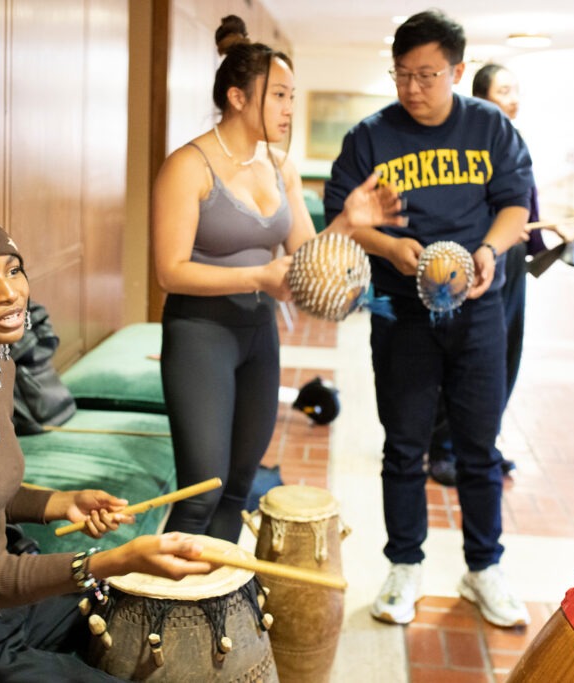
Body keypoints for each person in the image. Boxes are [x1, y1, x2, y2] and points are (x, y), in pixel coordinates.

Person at [0, 212, 215, 682]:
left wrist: (60, 502)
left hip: (4, 607)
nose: (10, 292)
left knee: (141, 616)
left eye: (13, 270)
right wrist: (113, 560)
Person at [153, 16, 404, 543]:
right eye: (280, 96)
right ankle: (158, 595)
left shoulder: (279, 167)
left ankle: (218, 593)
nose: (290, 108)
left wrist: (348, 223)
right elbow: (168, 271)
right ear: (238, 97)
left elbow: (307, 257)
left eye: (292, 96)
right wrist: (258, 276)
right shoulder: (188, 166)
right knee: (200, 493)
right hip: (200, 336)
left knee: (238, 488)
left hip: (258, 337)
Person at [323, 10, 532, 628]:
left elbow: (515, 205)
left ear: (458, 72)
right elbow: (342, 218)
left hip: (478, 310)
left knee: (479, 446)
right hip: (403, 313)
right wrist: (389, 248)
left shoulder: (489, 126)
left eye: (427, 75)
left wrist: (489, 251)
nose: (412, 88)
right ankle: (404, 565)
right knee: (404, 444)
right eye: (402, 74)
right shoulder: (370, 137)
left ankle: (484, 567)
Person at [427, 63, 546, 486]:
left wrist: (541, 242)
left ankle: (480, 446)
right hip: (478, 263)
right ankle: (444, 448)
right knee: (466, 357)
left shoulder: (512, 140)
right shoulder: (472, 144)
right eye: (504, 90)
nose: (513, 99)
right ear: (481, 99)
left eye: (516, 90)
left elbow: (524, 204)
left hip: (511, 259)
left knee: (504, 357)